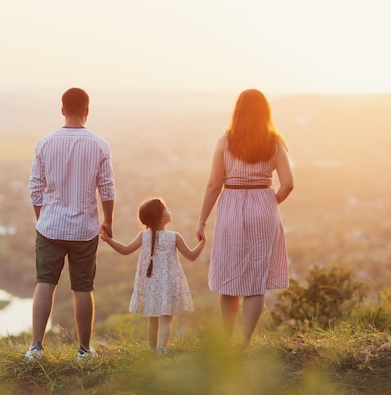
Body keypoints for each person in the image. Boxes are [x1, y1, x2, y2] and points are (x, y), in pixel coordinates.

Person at [195, 88, 294, 346]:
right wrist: (269, 202)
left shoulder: (225, 141)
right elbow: (288, 184)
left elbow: (214, 186)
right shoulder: (275, 142)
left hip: (231, 207)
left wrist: (202, 221)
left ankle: (226, 341)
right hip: (264, 206)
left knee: (229, 277)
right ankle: (245, 343)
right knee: (255, 280)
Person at [25, 87, 115, 361]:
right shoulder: (100, 144)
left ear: (62, 110)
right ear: (87, 111)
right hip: (84, 230)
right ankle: (85, 350)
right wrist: (107, 220)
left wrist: (43, 219)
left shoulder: (45, 143)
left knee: (45, 283)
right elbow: (107, 189)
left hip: (50, 227)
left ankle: (36, 348)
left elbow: (35, 189)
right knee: (83, 288)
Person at [101, 198, 205, 355]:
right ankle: (160, 351)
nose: (169, 209)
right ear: (162, 218)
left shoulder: (144, 236)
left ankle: (151, 351)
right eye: (166, 209)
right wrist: (203, 242)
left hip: (150, 283)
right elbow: (192, 256)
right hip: (169, 284)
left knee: (152, 318)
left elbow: (125, 250)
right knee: (166, 320)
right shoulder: (174, 236)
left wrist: (108, 240)